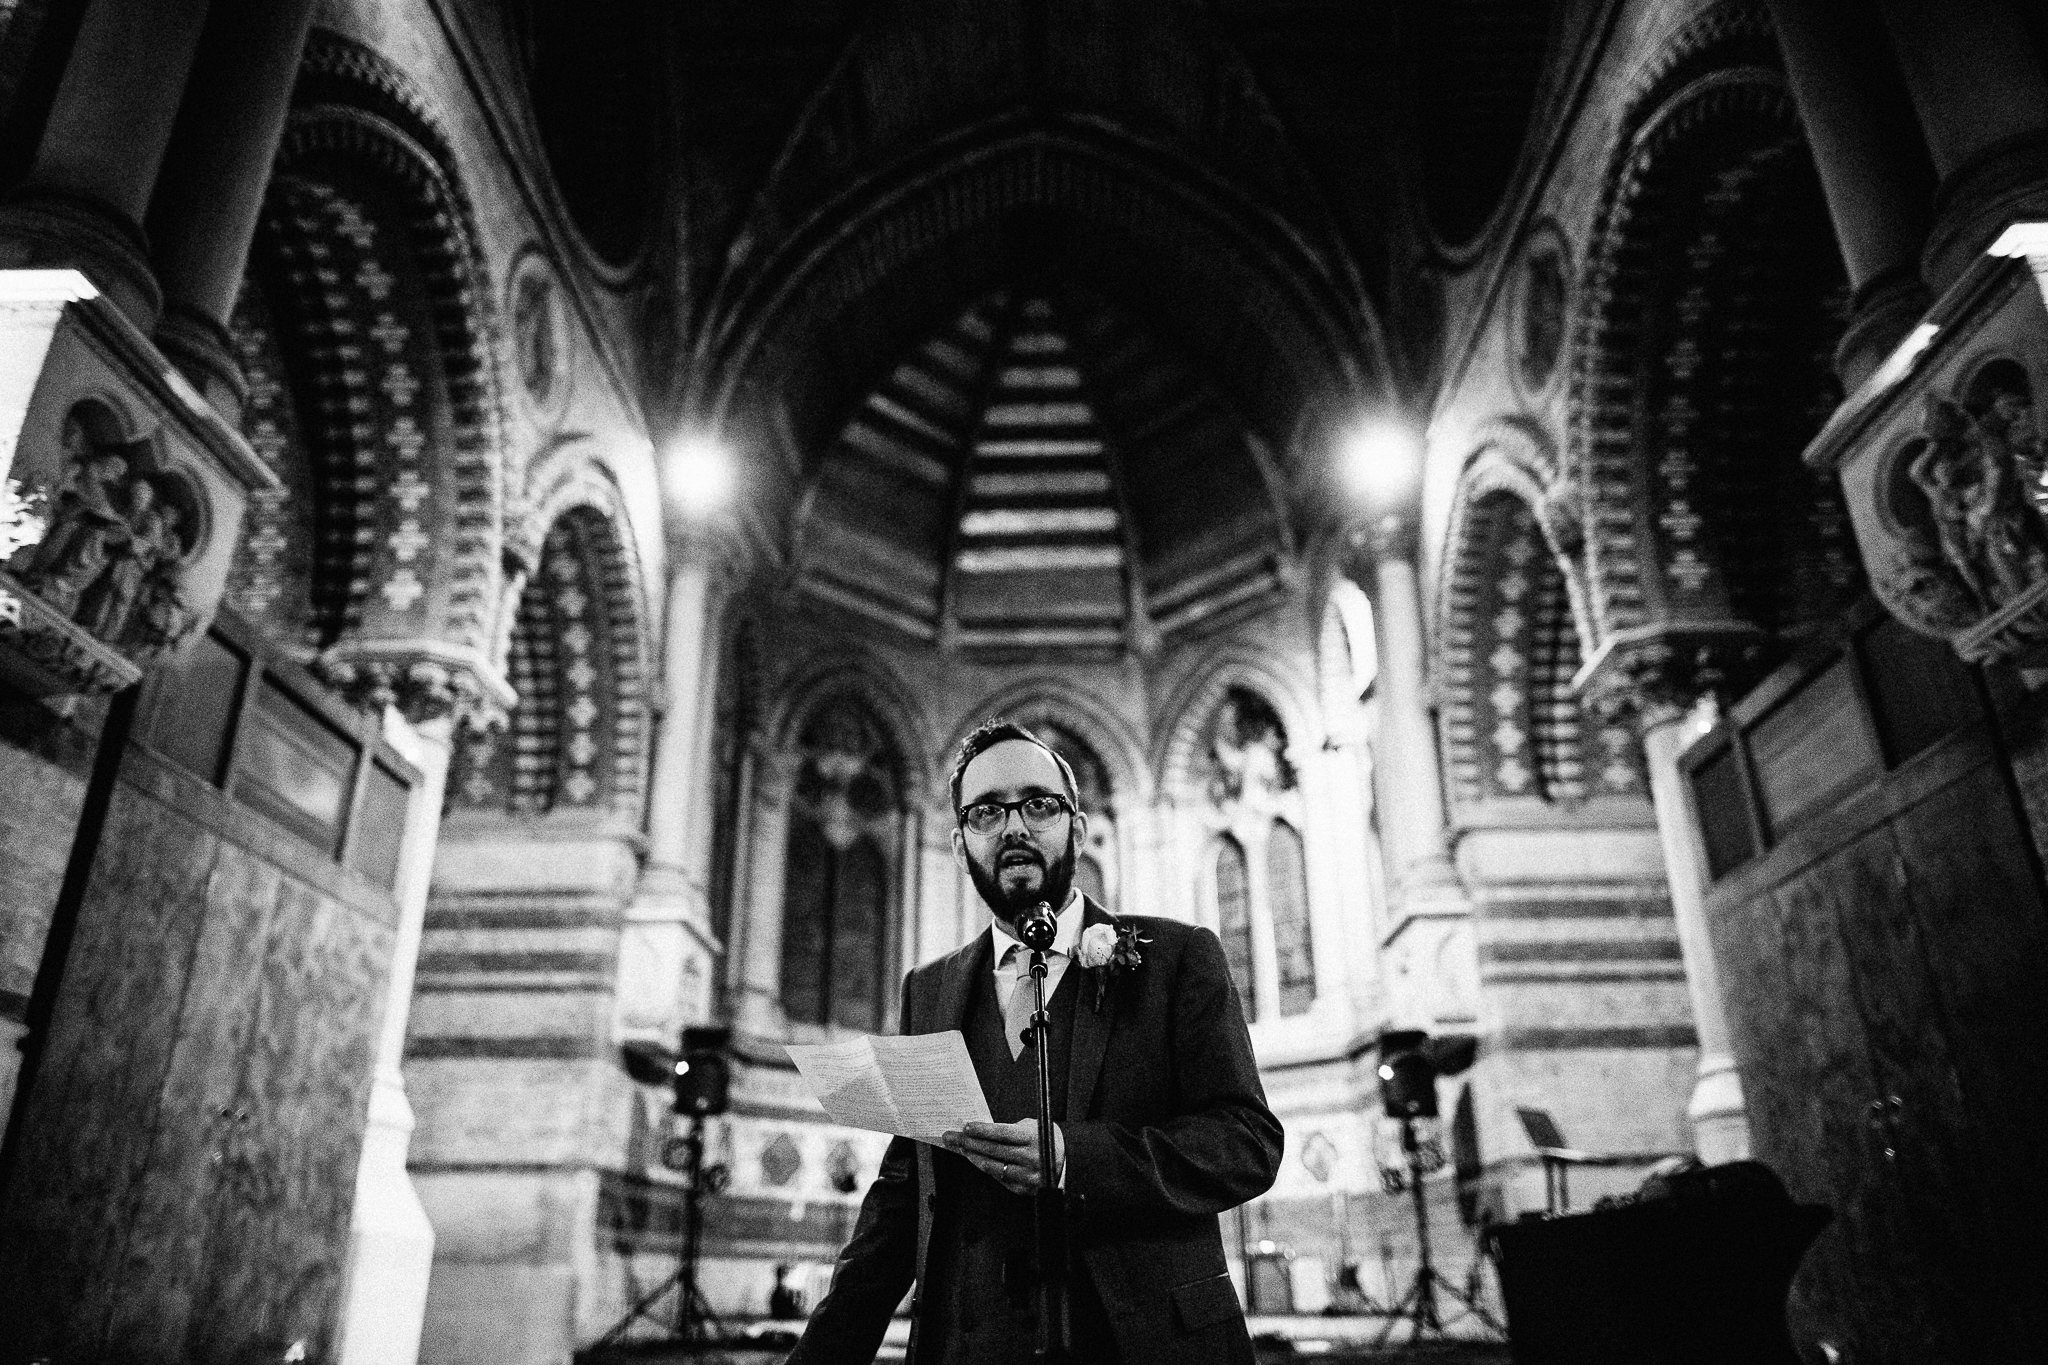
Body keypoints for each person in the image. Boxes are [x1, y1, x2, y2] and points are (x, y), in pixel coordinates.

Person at [787, 719, 1282, 1365]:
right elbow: (904, 1198)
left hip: (1141, 1343)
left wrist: (1075, 1157)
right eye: (987, 811)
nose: (1014, 826)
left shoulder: (1177, 957)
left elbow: (1246, 1142)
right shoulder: (928, 990)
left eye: (1038, 804)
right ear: (962, 843)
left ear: (1076, 828)